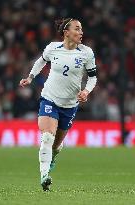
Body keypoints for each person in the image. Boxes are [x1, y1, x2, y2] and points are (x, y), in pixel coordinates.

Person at [19, 18, 97, 191]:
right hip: (49, 98)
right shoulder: (53, 48)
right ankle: (44, 176)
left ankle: (53, 156)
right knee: (47, 137)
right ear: (66, 32)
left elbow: (93, 77)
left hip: (70, 105)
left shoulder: (86, 53)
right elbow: (41, 61)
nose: (81, 32)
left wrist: (86, 91)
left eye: (82, 29)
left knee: (56, 145)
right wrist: (30, 77)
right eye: (77, 29)